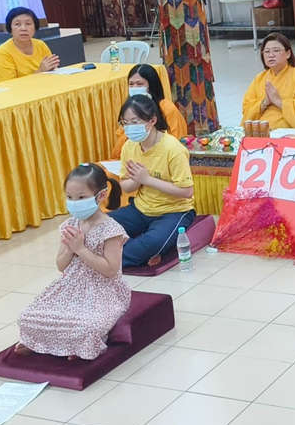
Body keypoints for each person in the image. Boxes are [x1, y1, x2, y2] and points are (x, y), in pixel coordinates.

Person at [16, 163, 132, 359]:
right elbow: (61, 265)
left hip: (104, 292)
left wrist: (81, 249)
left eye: (81, 197)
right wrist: (70, 249)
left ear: (101, 195)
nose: (74, 202)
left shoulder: (111, 230)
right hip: (70, 287)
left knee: (87, 326)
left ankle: (79, 345)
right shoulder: (70, 225)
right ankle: (45, 341)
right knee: (27, 317)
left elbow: (111, 270)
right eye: (69, 197)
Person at [111, 94, 195, 267]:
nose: (129, 128)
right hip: (140, 208)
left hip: (174, 211)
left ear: (152, 121)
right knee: (99, 225)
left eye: (135, 122)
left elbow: (187, 192)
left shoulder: (173, 149)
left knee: (151, 242)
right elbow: (125, 186)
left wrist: (147, 179)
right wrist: (137, 180)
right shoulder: (129, 146)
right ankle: (114, 255)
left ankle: (108, 259)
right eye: (125, 123)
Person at [242, 32, 295, 130]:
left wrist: (279, 102)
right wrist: (264, 103)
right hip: (262, 131)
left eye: (276, 50)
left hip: (291, 131)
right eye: (267, 51)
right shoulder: (259, 79)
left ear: (288, 53)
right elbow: (246, 108)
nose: (271, 55)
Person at [109, 64, 188, 159]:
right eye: (131, 84)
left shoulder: (166, 108)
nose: (134, 88)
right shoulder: (129, 108)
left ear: (151, 86)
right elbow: (121, 144)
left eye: (139, 84)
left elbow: (178, 140)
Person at [0, 7, 59, 81]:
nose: (23, 28)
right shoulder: (3, 53)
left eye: (28, 24)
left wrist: (52, 67)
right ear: (10, 28)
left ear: (35, 27)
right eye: (17, 24)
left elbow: (52, 71)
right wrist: (40, 71)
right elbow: (9, 85)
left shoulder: (40, 45)